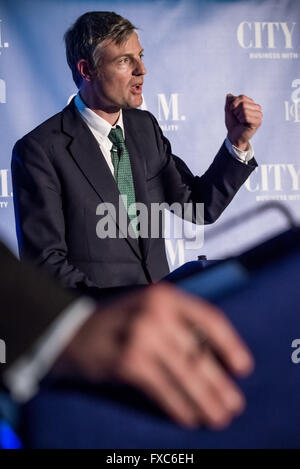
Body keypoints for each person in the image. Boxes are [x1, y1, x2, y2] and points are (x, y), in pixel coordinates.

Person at [11, 11, 262, 297]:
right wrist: (116, 312)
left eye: (140, 56)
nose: (142, 69)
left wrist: (237, 141)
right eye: (124, 61)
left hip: (161, 318)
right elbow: (45, 264)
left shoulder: (145, 128)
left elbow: (197, 206)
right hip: (102, 328)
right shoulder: (39, 150)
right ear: (87, 70)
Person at [0, 238, 253, 431]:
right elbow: (48, 258)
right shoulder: (41, 165)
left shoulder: (148, 166)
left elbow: (198, 205)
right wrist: (71, 326)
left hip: (170, 342)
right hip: (83, 386)